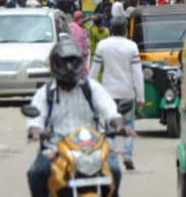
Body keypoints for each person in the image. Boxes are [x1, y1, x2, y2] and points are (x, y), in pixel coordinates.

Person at [26, 42, 126, 197]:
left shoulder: (92, 88)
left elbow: (110, 110)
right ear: (54, 64)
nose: (69, 68)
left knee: (114, 170)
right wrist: (36, 131)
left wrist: (118, 123)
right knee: (36, 173)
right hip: (55, 149)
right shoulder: (45, 93)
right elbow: (36, 120)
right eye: (63, 63)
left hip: (92, 150)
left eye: (73, 62)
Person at [89, 16, 144, 170]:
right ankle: (127, 155)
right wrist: (140, 96)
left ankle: (112, 157)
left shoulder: (102, 46)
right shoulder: (132, 47)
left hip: (108, 94)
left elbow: (94, 70)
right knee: (128, 125)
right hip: (127, 93)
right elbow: (137, 74)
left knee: (110, 128)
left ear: (111, 29)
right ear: (125, 29)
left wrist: (89, 91)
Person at [70, 11, 91, 75]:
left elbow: (87, 36)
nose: (81, 19)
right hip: (77, 52)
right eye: (80, 17)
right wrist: (89, 18)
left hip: (83, 52)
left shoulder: (83, 27)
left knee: (83, 68)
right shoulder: (73, 25)